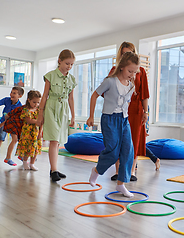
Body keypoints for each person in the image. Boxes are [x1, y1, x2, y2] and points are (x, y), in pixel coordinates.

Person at [87, 52, 139, 198]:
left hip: (124, 120)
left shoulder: (131, 86)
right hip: (109, 120)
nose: (132, 74)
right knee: (113, 151)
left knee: (128, 151)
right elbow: (94, 95)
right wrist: (91, 116)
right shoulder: (110, 81)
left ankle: (121, 184)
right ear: (121, 67)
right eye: (130, 71)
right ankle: (96, 171)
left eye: (134, 72)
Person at [109, 42, 159, 181]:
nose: (127, 56)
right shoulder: (115, 70)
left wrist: (145, 112)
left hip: (136, 109)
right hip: (119, 109)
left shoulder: (141, 71)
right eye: (124, 53)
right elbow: (108, 91)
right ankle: (118, 171)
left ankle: (131, 172)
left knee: (134, 140)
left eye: (129, 53)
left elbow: (144, 94)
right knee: (118, 140)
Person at [37, 49, 77, 181]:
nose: (69, 67)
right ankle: (54, 170)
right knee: (54, 139)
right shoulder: (50, 76)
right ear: (59, 61)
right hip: (51, 108)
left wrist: (73, 116)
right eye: (67, 63)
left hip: (64, 109)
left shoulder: (71, 79)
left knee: (58, 140)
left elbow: (71, 99)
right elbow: (44, 96)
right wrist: (40, 114)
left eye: (71, 64)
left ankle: (54, 169)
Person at [0, 86, 24, 165]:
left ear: (20, 96)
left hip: (13, 125)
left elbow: (11, 119)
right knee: (0, 138)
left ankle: (20, 156)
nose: (11, 94)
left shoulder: (19, 107)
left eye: (14, 93)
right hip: (4, 122)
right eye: (11, 92)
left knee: (17, 140)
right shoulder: (6, 100)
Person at [16, 90, 42, 170]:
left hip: (36, 132)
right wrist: (37, 121)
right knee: (27, 148)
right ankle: (25, 162)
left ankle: (32, 164)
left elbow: (41, 123)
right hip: (27, 132)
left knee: (35, 148)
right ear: (29, 100)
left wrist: (40, 132)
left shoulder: (38, 110)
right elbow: (28, 120)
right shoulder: (26, 110)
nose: (36, 104)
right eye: (34, 102)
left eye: (38, 102)